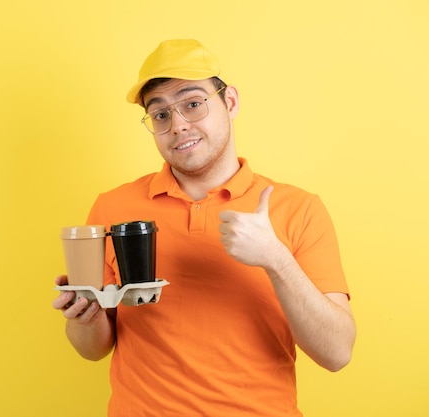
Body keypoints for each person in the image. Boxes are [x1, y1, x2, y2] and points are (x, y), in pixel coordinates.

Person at [52, 39, 356, 417]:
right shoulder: (112, 207)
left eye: (193, 103)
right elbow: (93, 348)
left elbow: (337, 353)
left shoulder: (298, 208)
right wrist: (87, 316)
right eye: (160, 114)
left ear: (229, 102)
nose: (178, 125)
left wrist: (276, 259)